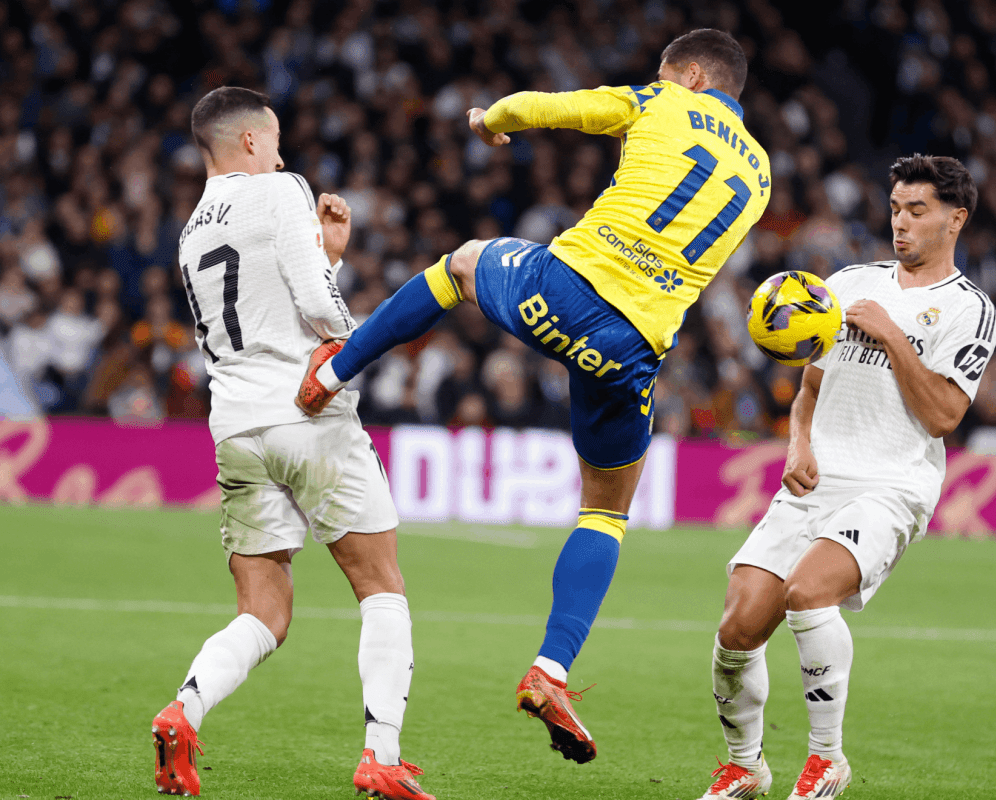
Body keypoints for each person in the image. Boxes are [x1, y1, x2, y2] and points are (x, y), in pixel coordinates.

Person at [296, 29, 770, 764]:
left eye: (665, 73)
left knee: (463, 263)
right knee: (607, 509)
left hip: (568, 285)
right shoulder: (763, 171)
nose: (659, 80)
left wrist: (493, 120)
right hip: (634, 348)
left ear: (694, 75)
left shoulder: (663, 100)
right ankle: (551, 668)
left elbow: (556, 108)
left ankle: (332, 371)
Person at [151, 87, 434, 800]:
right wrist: (352, 344)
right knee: (381, 585)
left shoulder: (189, 230)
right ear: (250, 142)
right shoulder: (280, 188)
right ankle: (382, 755)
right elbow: (313, 307)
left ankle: (182, 711)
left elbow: (263, 310)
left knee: (263, 612)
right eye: (274, 141)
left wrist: (326, 254)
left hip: (235, 423)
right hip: (307, 413)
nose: (281, 154)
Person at [696, 155, 995, 800]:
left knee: (809, 594)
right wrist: (797, 444)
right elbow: (810, 382)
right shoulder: (851, 281)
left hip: (891, 486)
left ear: (955, 219)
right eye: (895, 209)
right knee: (737, 629)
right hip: (816, 481)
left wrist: (893, 338)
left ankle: (826, 759)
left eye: (918, 211)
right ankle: (746, 767)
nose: (902, 224)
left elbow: (944, 415)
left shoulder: (969, 310)